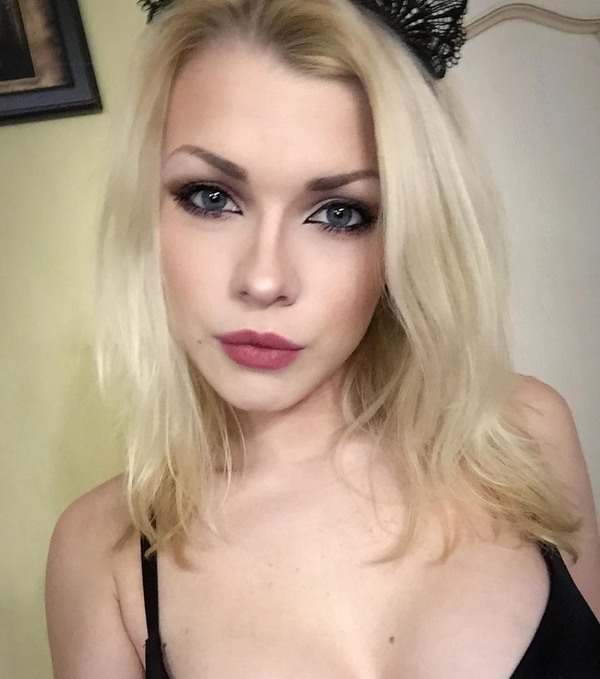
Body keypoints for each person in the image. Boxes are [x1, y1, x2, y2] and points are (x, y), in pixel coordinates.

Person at [45, 0, 600, 677]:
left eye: (340, 213)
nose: (264, 279)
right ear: (148, 210)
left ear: (407, 234)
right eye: (211, 197)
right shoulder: (99, 554)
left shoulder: (523, 434)